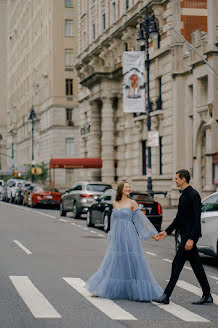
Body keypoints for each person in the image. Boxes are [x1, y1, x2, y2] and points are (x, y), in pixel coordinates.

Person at [85, 181, 163, 301]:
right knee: (113, 261)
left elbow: (141, 220)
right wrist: (111, 233)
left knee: (132, 260)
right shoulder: (115, 203)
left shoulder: (133, 203)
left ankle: (135, 290)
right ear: (121, 189)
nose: (128, 189)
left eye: (129, 187)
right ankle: (102, 288)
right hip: (118, 236)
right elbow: (113, 220)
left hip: (129, 235)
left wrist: (153, 233)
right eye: (126, 187)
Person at [153, 169, 213, 305]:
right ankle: (207, 294)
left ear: (183, 179)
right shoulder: (183, 196)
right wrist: (166, 231)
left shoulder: (193, 195)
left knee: (177, 264)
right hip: (185, 236)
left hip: (189, 237)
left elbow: (197, 219)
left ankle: (166, 295)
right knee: (197, 266)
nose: (175, 180)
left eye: (176, 178)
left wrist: (192, 239)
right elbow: (179, 218)